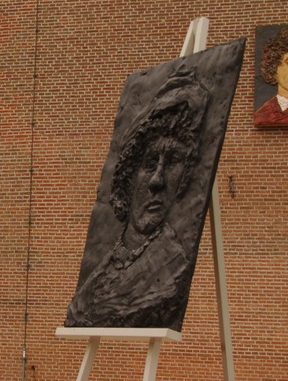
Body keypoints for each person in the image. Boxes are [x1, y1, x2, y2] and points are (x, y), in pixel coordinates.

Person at [65, 68, 209, 330]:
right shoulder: (106, 261)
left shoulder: (171, 266)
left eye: (172, 163)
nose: (157, 181)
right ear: (128, 176)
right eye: (150, 163)